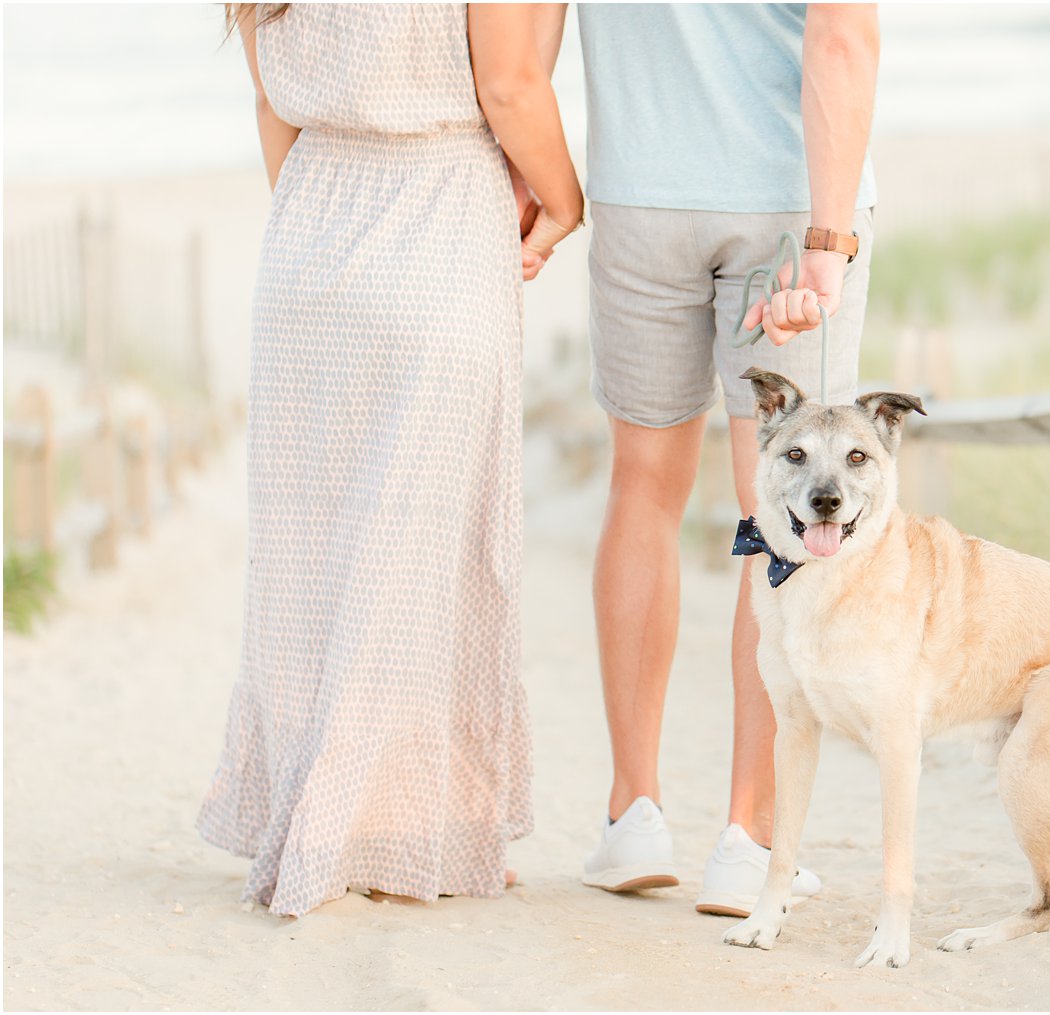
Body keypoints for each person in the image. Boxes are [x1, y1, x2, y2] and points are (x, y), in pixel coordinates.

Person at [198, 2, 582, 917]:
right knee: (429, 556)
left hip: (309, 244)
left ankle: (327, 812)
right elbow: (509, 84)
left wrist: (330, 228)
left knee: (308, 562)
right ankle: (399, 827)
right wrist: (565, 199)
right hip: (440, 218)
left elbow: (270, 107)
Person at [574, 3, 880, 916]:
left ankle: (633, 814)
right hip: (785, 198)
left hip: (638, 194)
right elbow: (841, 36)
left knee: (641, 493)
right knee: (778, 518)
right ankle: (750, 840)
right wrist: (829, 242)